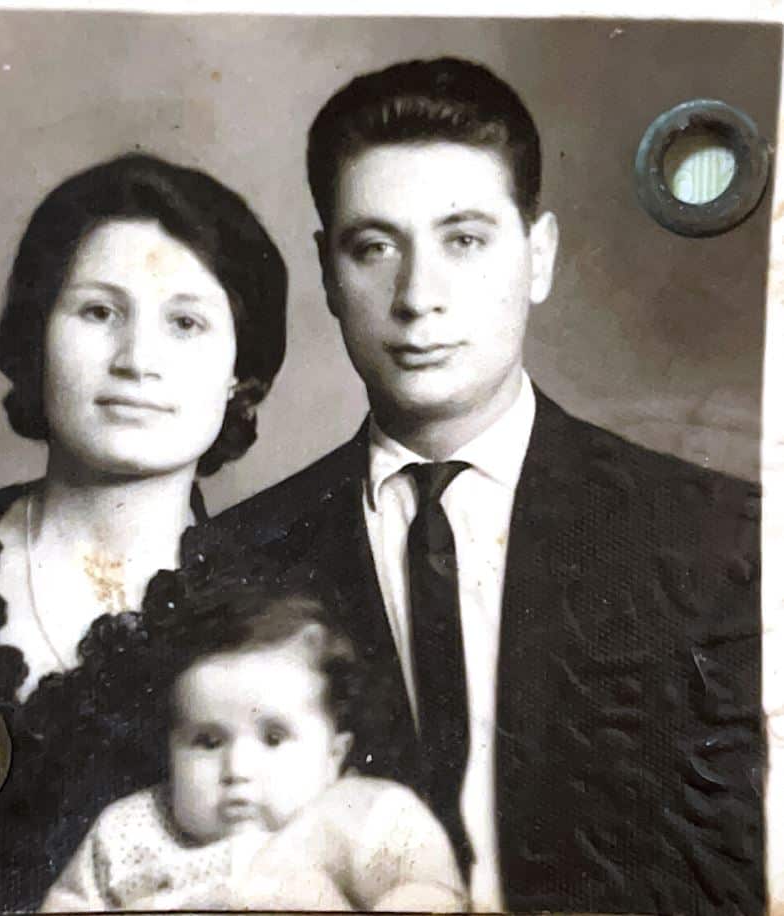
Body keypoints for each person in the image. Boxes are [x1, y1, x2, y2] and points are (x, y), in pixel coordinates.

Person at [207, 58, 764, 915]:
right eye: (375, 247)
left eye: (464, 239)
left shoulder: (716, 536)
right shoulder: (232, 561)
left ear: (537, 256)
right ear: (326, 272)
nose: (418, 297)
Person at [0, 152, 287, 913]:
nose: (137, 361)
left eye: (185, 322)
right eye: (98, 312)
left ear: (238, 376)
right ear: (34, 337)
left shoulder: (279, 635)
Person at [40, 575, 466, 912]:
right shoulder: (128, 831)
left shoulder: (364, 814)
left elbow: (429, 895)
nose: (237, 769)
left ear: (334, 754)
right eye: (207, 742)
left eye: (274, 738)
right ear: (170, 748)